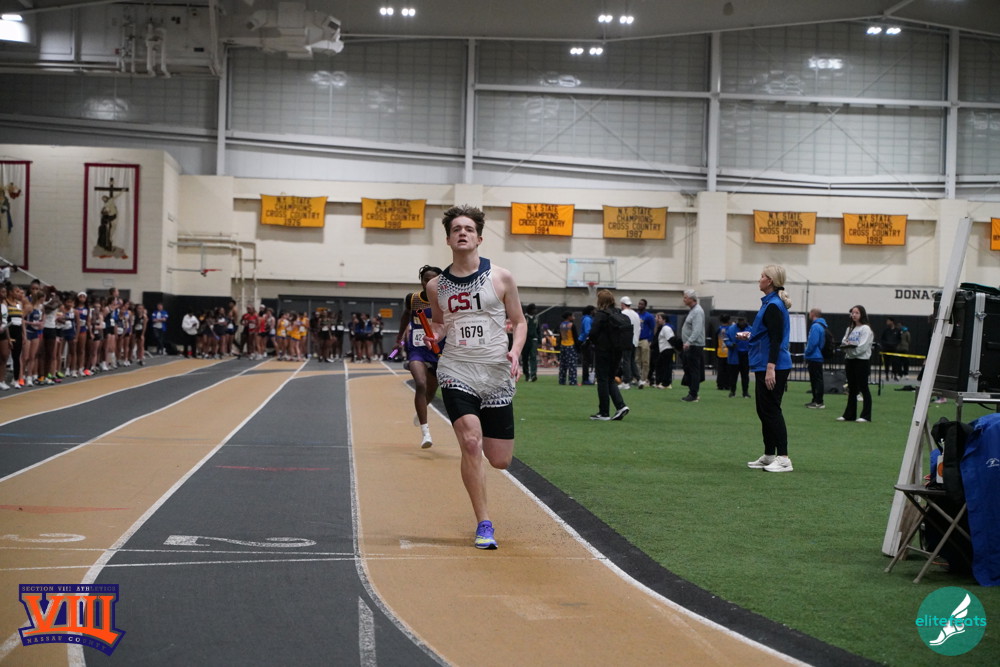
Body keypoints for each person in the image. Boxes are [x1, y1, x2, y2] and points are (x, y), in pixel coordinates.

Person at [423, 205, 526, 551]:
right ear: (448, 239)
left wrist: (516, 351)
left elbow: (520, 322)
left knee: (500, 460)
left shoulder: (501, 277)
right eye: (456, 229)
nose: (462, 233)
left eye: (468, 229)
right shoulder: (437, 286)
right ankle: (484, 523)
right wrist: (434, 335)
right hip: (457, 369)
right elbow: (440, 323)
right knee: (470, 442)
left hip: (496, 372)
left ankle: (484, 502)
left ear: (479, 238)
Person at [744, 265, 794, 473]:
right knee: (763, 410)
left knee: (772, 410)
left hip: (773, 365)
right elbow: (767, 333)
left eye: (763, 276)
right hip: (764, 363)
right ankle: (769, 455)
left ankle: (784, 458)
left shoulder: (773, 305)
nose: (759, 279)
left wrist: (770, 368)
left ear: (770, 281)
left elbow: (776, 338)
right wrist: (750, 336)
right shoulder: (769, 303)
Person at [393, 264, 443, 449]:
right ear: (421, 281)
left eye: (433, 279)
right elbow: (405, 316)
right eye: (425, 279)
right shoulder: (413, 299)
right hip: (417, 349)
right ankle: (425, 432)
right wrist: (399, 339)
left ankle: (421, 410)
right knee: (420, 384)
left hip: (438, 350)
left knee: (431, 391)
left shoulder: (445, 300)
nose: (429, 282)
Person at [589, 289, 630, 421]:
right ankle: (621, 406)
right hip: (617, 350)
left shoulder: (601, 314)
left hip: (603, 350)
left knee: (602, 379)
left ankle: (604, 412)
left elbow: (593, 332)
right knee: (610, 378)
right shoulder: (618, 313)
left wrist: (593, 342)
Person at [838, 304, 874, 423]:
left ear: (862, 314)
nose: (854, 315)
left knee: (863, 387)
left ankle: (866, 415)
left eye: (857, 313)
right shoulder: (850, 329)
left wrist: (850, 351)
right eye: (852, 313)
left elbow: (862, 346)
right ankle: (849, 414)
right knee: (852, 388)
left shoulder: (866, 329)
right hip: (850, 360)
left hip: (861, 361)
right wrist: (848, 349)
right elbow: (844, 342)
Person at [680, 289, 705, 402]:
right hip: (691, 345)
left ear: (691, 299)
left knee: (694, 370)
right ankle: (692, 392)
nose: (684, 300)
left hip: (694, 345)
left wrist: (689, 342)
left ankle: (693, 394)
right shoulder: (693, 311)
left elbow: (697, 329)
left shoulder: (697, 311)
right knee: (689, 369)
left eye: (685, 297)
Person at [804, 308, 828, 409]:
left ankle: (818, 401)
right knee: (816, 379)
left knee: (816, 380)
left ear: (813, 314)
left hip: (814, 356)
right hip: (818, 355)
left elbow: (813, 343)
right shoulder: (822, 326)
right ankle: (815, 400)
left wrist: (807, 352)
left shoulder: (815, 326)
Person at [725, 314, 751, 398]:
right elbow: (726, 339)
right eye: (739, 320)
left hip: (746, 355)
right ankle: (732, 392)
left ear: (746, 320)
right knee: (733, 375)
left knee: (745, 375)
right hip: (734, 355)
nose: (741, 322)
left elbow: (755, 341)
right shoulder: (731, 329)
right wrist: (731, 344)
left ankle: (745, 392)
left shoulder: (750, 329)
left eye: (742, 320)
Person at [618, 296, 640, 389]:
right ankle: (639, 379)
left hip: (626, 340)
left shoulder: (623, 313)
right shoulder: (636, 314)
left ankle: (626, 381)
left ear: (622, 304)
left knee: (626, 360)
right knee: (632, 360)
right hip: (635, 340)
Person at [634, 299, 655, 388]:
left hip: (645, 339)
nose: (640, 305)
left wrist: (650, 339)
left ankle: (644, 379)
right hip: (636, 339)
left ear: (645, 306)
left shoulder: (649, 316)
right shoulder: (636, 315)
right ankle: (637, 379)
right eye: (639, 304)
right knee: (636, 360)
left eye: (642, 304)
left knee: (645, 360)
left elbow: (653, 328)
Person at [557, 311, 578, 385]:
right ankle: (572, 381)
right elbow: (575, 336)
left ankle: (561, 381)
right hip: (570, 345)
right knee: (572, 365)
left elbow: (560, 336)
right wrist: (578, 347)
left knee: (563, 364)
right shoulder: (572, 325)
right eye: (572, 316)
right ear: (569, 317)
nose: (574, 318)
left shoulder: (561, 325)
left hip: (563, 345)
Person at [520, 303, 540, 382]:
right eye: (534, 309)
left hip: (534, 339)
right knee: (525, 357)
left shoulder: (536, 318)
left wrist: (539, 340)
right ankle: (526, 374)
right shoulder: (524, 317)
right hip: (525, 340)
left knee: (533, 356)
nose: (535, 311)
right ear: (529, 310)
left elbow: (538, 329)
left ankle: (533, 374)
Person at [654, 312, 674, 389]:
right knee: (661, 366)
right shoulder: (663, 328)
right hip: (663, 350)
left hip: (667, 349)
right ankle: (662, 382)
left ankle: (666, 383)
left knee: (666, 367)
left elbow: (671, 339)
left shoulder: (666, 328)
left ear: (664, 320)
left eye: (659, 318)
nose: (657, 320)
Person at [578, 305, 595, 385]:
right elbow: (587, 331)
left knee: (586, 361)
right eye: (594, 310)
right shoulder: (587, 319)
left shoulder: (587, 318)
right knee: (586, 361)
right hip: (585, 342)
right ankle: (585, 379)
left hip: (584, 341)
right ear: (591, 311)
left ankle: (586, 378)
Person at [715, 313, 732, 391]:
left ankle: (720, 385)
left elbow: (715, 341)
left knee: (720, 370)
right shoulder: (731, 329)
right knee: (728, 370)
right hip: (729, 352)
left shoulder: (719, 329)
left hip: (720, 351)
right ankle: (727, 385)